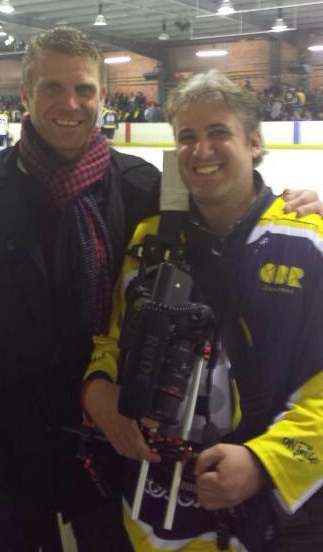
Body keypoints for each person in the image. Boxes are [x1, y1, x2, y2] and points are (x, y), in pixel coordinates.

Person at [0, 27, 161, 552]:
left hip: (108, 436)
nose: (69, 104)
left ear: (102, 96)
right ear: (24, 94)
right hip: (11, 437)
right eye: (51, 88)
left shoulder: (143, 186)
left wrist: (279, 203)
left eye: (84, 90)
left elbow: (217, 226)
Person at [83, 69, 323, 552]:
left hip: (264, 520)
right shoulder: (150, 240)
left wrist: (264, 463)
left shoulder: (309, 243)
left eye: (218, 133)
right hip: (151, 514)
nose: (201, 150)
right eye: (187, 137)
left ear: (253, 141)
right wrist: (99, 391)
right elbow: (110, 343)